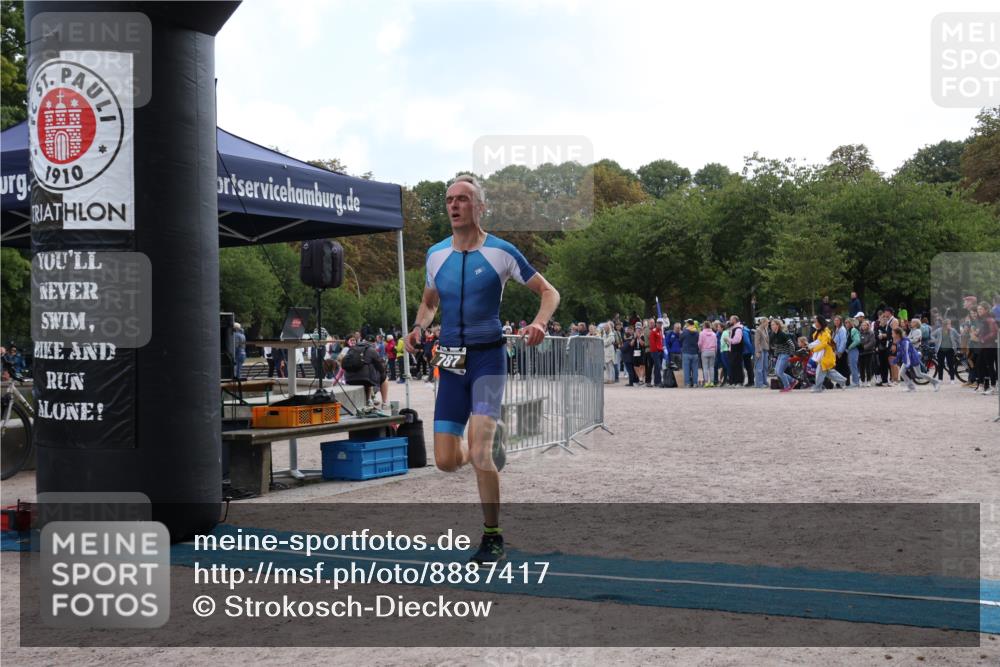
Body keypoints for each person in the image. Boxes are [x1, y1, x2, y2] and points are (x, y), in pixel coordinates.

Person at [405, 174, 559, 565]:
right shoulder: (435, 255)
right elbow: (429, 302)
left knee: (479, 452)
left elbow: (549, 291)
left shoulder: (501, 252)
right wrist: (419, 326)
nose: (454, 205)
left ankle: (492, 537)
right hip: (451, 361)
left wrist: (539, 322)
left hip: (489, 359)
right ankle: (481, 445)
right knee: (444, 461)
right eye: (449, 200)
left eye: (463, 199)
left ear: (480, 207)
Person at [342, 334, 391, 406]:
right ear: (373, 343)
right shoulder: (371, 350)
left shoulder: (352, 348)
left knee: (365, 376)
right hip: (364, 379)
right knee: (383, 378)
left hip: (349, 378)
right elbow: (381, 367)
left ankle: (368, 400)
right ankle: (384, 403)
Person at [893, 327, 940, 392]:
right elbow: (901, 352)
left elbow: (907, 353)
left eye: (893, 333)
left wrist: (907, 364)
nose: (892, 334)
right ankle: (911, 387)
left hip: (913, 358)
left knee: (919, 374)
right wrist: (896, 359)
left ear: (897, 334)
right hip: (907, 359)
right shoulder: (899, 341)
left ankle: (935, 382)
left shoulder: (905, 342)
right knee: (902, 373)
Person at [808, 316, 847, 392]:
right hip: (821, 355)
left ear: (820, 322)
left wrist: (813, 349)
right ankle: (842, 380)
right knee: (828, 372)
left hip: (826, 356)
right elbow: (816, 341)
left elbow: (823, 344)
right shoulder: (818, 332)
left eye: (816, 321)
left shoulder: (825, 332)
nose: (814, 323)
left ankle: (818, 387)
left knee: (820, 371)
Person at [769, 319, 797, 392]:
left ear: (777, 325)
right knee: (777, 372)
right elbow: (776, 347)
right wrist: (775, 356)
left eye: (773, 324)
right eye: (771, 325)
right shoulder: (773, 334)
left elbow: (792, 344)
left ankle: (787, 386)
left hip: (786, 354)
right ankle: (793, 380)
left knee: (780, 371)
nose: (771, 326)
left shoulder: (782, 334)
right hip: (780, 354)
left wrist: (791, 354)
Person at [931, 319, 960, 383]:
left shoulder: (953, 330)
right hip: (940, 350)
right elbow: (931, 335)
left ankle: (952, 379)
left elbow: (958, 337)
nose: (950, 325)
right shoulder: (939, 330)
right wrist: (936, 340)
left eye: (950, 324)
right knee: (940, 365)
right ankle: (940, 379)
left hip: (950, 350)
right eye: (949, 324)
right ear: (945, 325)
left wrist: (958, 344)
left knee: (950, 364)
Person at [680, 319, 700, 387]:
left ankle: (687, 383)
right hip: (695, 353)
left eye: (686, 323)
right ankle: (695, 383)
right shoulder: (697, 332)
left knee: (686, 369)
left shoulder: (685, 331)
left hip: (686, 352)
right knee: (695, 369)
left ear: (688, 324)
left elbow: (680, 339)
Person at [698, 320, 717, 387]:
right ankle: (712, 382)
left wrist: (700, 349)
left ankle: (706, 382)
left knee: (705, 367)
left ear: (704, 326)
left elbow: (700, 343)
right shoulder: (714, 334)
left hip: (704, 351)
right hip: (712, 351)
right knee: (711, 367)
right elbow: (716, 344)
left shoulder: (701, 333)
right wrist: (715, 351)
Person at [859, 320, 877, 387]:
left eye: (865, 325)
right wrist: (860, 347)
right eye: (862, 325)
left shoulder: (871, 333)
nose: (863, 326)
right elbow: (858, 341)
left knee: (868, 367)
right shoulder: (859, 333)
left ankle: (869, 381)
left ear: (868, 326)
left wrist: (864, 347)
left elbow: (872, 342)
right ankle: (862, 381)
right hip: (861, 353)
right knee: (861, 367)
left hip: (869, 352)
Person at [647, 318, 664, 387]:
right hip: (655, 351)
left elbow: (661, 341)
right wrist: (656, 351)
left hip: (660, 351)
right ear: (656, 324)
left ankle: (657, 381)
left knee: (657, 367)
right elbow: (652, 343)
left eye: (661, 323)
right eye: (659, 323)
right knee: (658, 366)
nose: (660, 324)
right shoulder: (653, 331)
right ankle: (658, 382)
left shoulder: (660, 331)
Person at [753, 318, 770, 388]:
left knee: (765, 367)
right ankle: (759, 383)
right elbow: (757, 342)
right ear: (763, 322)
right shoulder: (758, 330)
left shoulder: (765, 329)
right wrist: (758, 351)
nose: (768, 324)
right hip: (760, 350)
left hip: (766, 349)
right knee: (759, 367)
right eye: (767, 322)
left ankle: (764, 381)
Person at [845, 318, 861, 388]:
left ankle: (856, 382)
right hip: (851, 350)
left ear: (851, 323)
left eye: (847, 323)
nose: (846, 324)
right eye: (845, 323)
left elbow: (857, 340)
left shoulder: (853, 330)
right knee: (852, 366)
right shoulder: (848, 331)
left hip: (854, 350)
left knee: (853, 366)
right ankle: (855, 382)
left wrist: (849, 347)